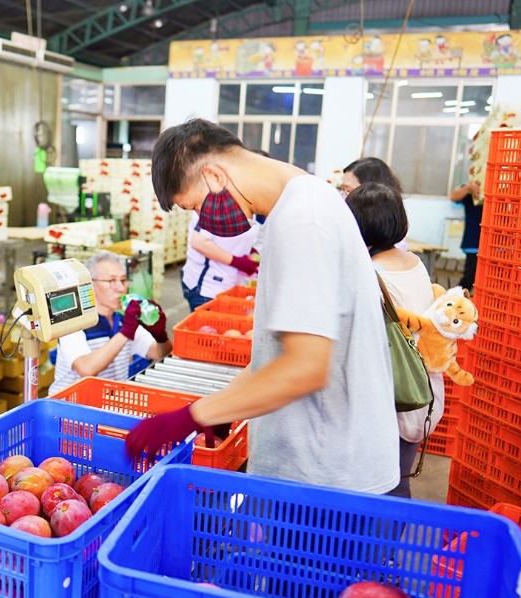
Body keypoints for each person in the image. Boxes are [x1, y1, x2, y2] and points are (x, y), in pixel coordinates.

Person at [125, 119, 400, 496]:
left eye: (195, 206)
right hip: (319, 467)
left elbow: (305, 368)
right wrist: (222, 407)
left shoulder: (304, 222)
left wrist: (193, 416)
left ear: (214, 176)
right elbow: (278, 359)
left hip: (327, 480)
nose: (202, 220)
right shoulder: (302, 206)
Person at [345, 182, 446, 499]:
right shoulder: (415, 263)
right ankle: (386, 549)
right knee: (399, 478)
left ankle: (371, 548)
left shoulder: (370, 274)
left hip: (388, 395)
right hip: (421, 386)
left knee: (374, 485)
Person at [47, 251, 172, 396]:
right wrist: (126, 332)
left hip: (106, 404)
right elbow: (86, 368)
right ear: (90, 285)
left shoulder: (123, 321)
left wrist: (161, 336)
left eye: (123, 280)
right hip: (67, 408)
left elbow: (159, 353)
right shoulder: (73, 324)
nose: (121, 288)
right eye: (111, 281)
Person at [181, 210, 260, 311]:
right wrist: (237, 261)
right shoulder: (215, 202)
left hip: (230, 286)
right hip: (207, 288)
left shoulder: (247, 203)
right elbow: (199, 242)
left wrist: (249, 250)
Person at [449, 181, 482, 293]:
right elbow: (453, 197)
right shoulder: (471, 186)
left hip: (496, 244)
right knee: (469, 278)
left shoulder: (500, 187)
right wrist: (469, 188)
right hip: (474, 241)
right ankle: (454, 299)